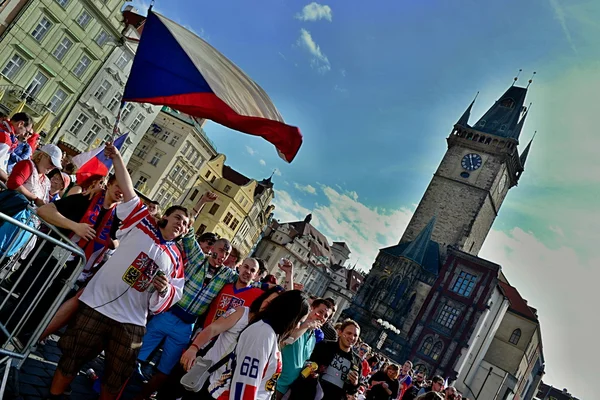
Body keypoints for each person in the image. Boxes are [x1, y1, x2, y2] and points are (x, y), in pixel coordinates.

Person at [47, 142, 188, 400]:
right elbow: (127, 188)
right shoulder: (141, 220)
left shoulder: (178, 259)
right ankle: (54, 396)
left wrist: (165, 290)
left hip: (132, 320)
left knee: (117, 374)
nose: (182, 224)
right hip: (98, 304)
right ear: (166, 217)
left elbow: (173, 295)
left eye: (186, 224)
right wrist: (119, 158)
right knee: (72, 357)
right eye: (179, 217)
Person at [179, 286, 285, 397]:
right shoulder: (241, 312)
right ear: (262, 299)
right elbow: (212, 329)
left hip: (227, 389)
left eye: (272, 307)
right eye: (267, 302)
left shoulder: (270, 333)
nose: (266, 308)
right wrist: (194, 347)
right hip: (208, 375)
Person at [209, 290, 310, 400]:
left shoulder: (271, 333)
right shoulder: (263, 333)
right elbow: (246, 384)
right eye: (299, 321)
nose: (297, 327)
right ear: (290, 316)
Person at [275, 298, 336, 399]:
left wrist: (308, 367)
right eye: (320, 312)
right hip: (274, 380)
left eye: (326, 316)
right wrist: (306, 325)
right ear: (312, 308)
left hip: (287, 389)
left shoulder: (313, 338)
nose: (322, 317)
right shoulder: (296, 323)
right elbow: (285, 341)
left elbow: (300, 359)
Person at [310, 319, 363, 399]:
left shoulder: (357, 361)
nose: (352, 337)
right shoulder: (324, 346)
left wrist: (355, 384)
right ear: (340, 332)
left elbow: (352, 391)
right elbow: (308, 363)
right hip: (313, 393)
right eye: (349, 333)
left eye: (355, 335)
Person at [0, 112, 33, 182]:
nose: (24, 134)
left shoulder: (2, 128)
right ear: (20, 124)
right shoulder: (6, 139)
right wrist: (9, 181)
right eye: (26, 131)